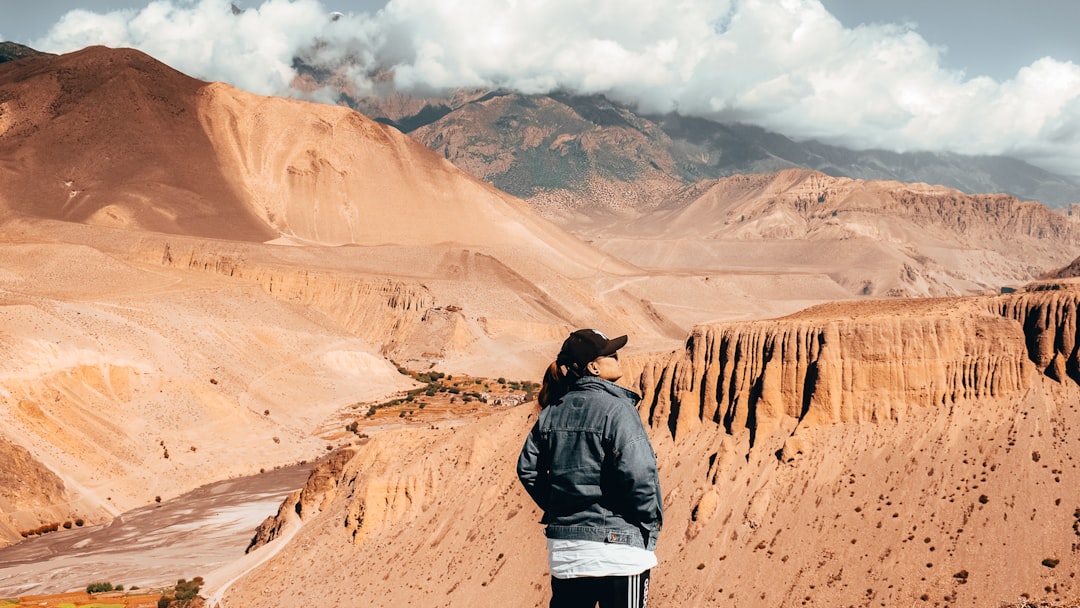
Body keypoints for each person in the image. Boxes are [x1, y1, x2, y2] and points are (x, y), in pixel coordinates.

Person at [517, 329, 663, 608]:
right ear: (593, 367)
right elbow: (640, 472)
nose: (618, 358)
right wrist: (648, 520)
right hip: (619, 553)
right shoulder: (617, 410)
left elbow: (527, 469)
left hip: (566, 554)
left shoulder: (551, 412)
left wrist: (561, 506)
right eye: (612, 354)